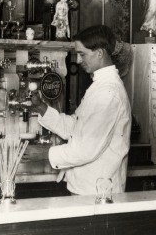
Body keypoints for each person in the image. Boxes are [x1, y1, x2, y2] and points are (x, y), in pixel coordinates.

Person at [30, 25, 132, 196]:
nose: (78, 60)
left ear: (99, 53)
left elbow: (86, 148)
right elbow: (76, 128)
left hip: (98, 193)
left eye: (82, 54)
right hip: (87, 189)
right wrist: (42, 108)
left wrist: (44, 153)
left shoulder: (108, 93)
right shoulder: (100, 87)